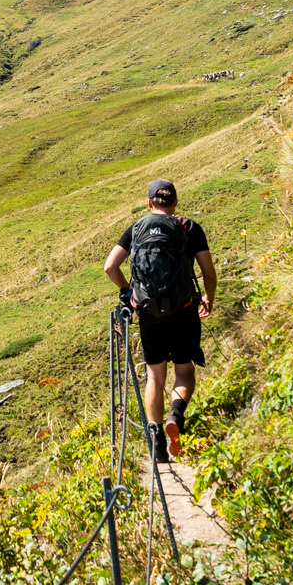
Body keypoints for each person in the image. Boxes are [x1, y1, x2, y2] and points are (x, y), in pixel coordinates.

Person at [103, 177, 215, 464]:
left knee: (155, 375)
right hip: (184, 309)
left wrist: (128, 292)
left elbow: (110, 266)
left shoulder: (136, 229)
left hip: (149, 313)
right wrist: (208, 298)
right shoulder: (188, 227)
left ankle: (156, 444)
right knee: (185, 371)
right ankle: (176, 415)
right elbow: (208, 272)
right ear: (175, 202)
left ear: (149, 202)